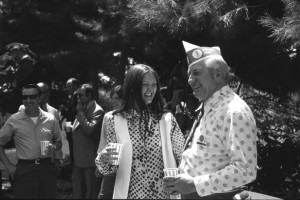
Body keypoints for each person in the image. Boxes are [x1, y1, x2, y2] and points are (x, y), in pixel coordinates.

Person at [163, 41, 258, 199]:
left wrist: (195, 184)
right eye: (189, 74)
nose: (190, 80)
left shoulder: (234, 111)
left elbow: (246, 170)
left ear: (218, 75)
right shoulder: (210, 106)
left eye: (196, 73)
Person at [95, 64, 185, 199]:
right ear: (132, 87)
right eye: (145, 85)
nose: (151, 89)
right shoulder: (115, 120)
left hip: (164, 196)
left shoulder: (167, 119)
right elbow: (109, 168)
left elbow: (184, 157)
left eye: (154, 84)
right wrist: (104, 158)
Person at [0, 84, 62, 199]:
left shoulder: (50, 119)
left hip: (46, 168)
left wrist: (54, 147)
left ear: (39, 98)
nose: (28, 100)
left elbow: (58, 140)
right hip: (25, 169)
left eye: (32, 97)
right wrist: (9, 166)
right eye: (25, 97)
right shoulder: (14, 119)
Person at [72, 83, 104, 199]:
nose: (78, 98)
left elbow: (89, 129)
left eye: (80, 95)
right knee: (79, 192)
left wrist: (80, 113)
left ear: (89, 95)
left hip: (89, 160)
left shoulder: (97, 110)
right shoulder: (83, 107)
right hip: (79, 159)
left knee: (91, 192)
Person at [96, 84, 123, 199]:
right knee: (104, 196)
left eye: (117, 98)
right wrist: (99, 163)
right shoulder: (108, 116)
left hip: (127, 165)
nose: (114, 101)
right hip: (111, 162)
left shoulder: (132, 117)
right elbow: (103, 140)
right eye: (112, 98)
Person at [64, 78, 80, 165]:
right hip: (70, 125)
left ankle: (74, 168)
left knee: (73, 148)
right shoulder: (71, 96)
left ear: (75, 86)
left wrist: (64, 111)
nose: (67, 88)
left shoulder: (76, 95)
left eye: (69, 86)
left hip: (73, 126)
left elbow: (72, 113)